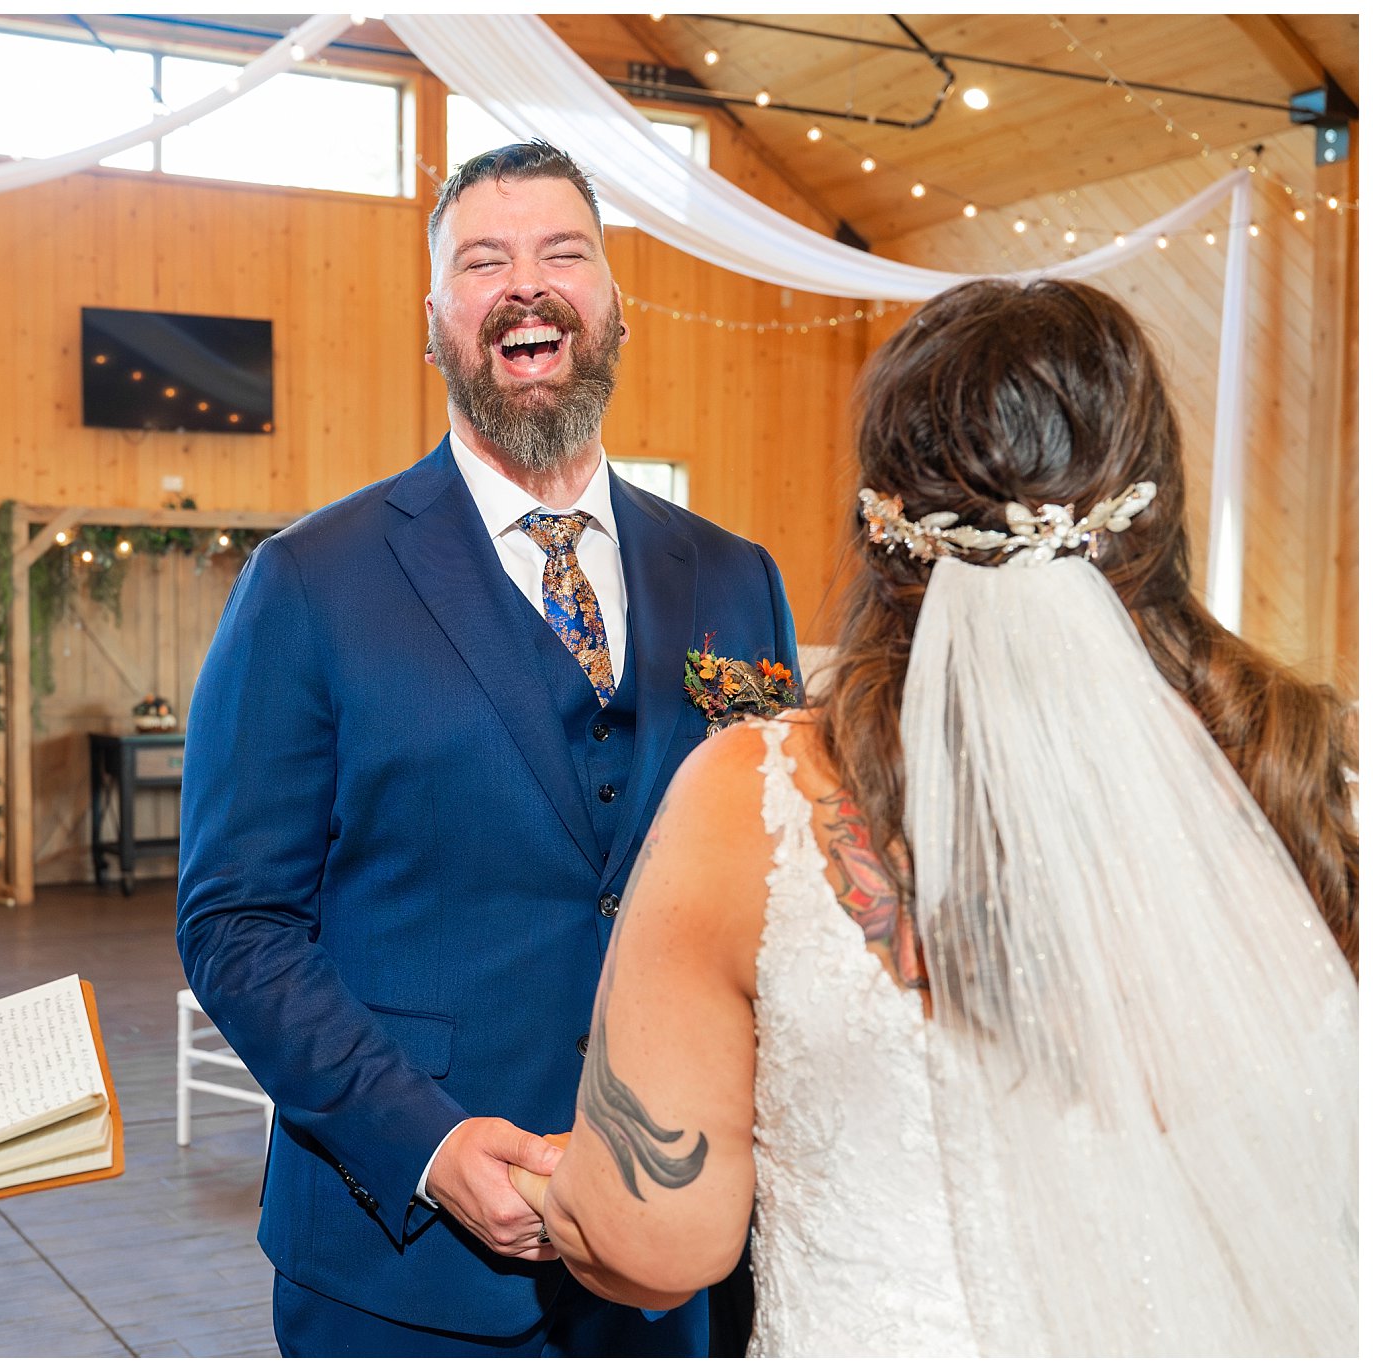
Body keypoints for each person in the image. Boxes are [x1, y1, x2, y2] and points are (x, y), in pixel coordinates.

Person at [511, 278, 1358, 1355]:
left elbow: (651, 1243)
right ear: (1152, 506)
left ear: (880, 521)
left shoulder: (756, 794)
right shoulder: (1308, 777)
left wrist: (564, 1189)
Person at [176, 141, 798, 1357]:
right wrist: (426, 1144)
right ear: (436, 322)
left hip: (675, 1255)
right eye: (482, 261)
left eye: (562, 254)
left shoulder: (733, 574)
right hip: (401, 1268)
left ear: (612, 305)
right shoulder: (307, 581)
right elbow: (236, 924)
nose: (526, 284)